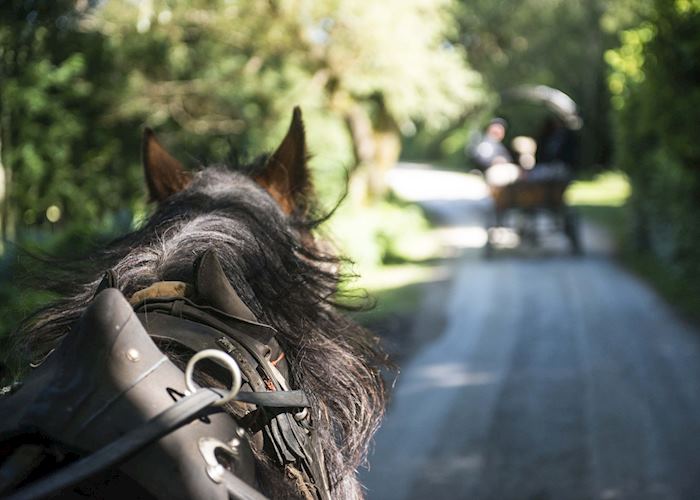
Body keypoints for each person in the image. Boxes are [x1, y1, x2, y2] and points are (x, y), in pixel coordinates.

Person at [467, 118, 521, 187]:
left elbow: (508, 159)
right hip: (492, 173)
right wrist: (495, 161)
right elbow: (482, 159)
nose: (499, 131)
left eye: (501, 129)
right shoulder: (486, 143)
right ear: (489, 129)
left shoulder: (499, 145)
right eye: (497, 128)